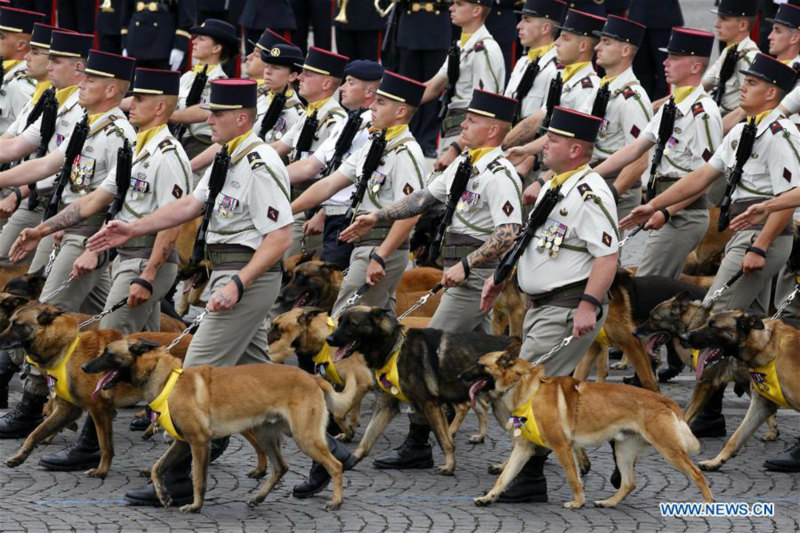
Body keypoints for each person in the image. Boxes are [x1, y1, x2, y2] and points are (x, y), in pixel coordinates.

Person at [87, 79, 294, 506]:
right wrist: (136, 226)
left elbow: (280, 238)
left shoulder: (260, 162)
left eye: (217, 114)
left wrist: (237, 285)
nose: (209, 120)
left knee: (189, 375)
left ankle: (176, 477)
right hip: (227, 272)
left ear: (241, 118)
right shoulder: (226, 158)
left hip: (246, 277)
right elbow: (188, 207)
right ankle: (333, 448)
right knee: (263, 374)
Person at [8, 67, 191, 472]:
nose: (133, 104)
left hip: (144, 260)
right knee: (149, 349)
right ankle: (171, 424)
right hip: (125, 257)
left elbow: (171, 221)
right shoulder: (139, 148)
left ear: (160, 107)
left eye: (140, 99)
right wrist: (42, 228)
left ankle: (92, 443)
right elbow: (95, 200)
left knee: (113, 347)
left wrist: (148, 274)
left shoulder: (166, 155)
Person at [339, 90, 523, 472]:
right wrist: (379, 216)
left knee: (422, 357)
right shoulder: (464, 166)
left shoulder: (499, 173)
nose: (463, 126)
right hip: (462, 275)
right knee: (498, 368)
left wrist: (468, 266)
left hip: (473, 279)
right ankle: (533, 443)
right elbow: (423, 198)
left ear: (492, 129)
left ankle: (418, 443)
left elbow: (508, 232)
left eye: (472, 120)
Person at [623, 53, 800, 438]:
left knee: (715, 316)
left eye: (751, 83)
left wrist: (760, 245)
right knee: (748, 329)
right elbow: (702, 175)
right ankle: (744, 408)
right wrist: (655, 205)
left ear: (772, 92)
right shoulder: (742, 131)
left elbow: (788, 197)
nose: (743, 87)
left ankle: (707, 411)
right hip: (743, 232)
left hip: (760, 237)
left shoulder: (781, 134)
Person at [482, 105, 619, 503]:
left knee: (529, 387)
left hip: (567, 305)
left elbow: (606, 257)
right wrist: (500, 277)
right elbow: (534, 244)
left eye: (554, 140)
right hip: (542, 305)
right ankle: (604, 435)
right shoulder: (555, 185)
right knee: (534, 386)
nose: (544, 145)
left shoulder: (590, 194)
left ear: (576, 150)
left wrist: (589, 304)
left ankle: (530, 477)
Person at [291, 70, 425, 317]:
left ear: (401, 112)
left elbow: (410, 213)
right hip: (366, 244)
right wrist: (288, 213)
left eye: (381, 102)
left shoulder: (406, 153)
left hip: (382, 246)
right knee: (376, 330)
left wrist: (381, 257)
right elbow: (330, 184)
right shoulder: (377, 145)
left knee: (344, 319)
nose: (372, 106)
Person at [594, 27, 722, 279]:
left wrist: (666, 211)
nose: (665, 63)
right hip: (664, 208)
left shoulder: (703, 113)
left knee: (646, 286)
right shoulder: (672, 106)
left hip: (682, 214)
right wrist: (588, 175)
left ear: (696, 67)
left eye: (674, 58)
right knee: (657, 288)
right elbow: (635, 148)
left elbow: (705, 176)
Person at [286, 59, 383, 270]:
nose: (342, 88)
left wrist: (319, 212)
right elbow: (311, 166)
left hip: (349, 218)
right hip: (330, 213)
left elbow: (350, 181)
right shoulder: (347, 123)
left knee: (332, 284)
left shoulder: (374, 130)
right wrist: (271, 176)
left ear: (370, 91)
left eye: (349, 82)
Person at [271, 46, 349, 258]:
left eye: (308, 74)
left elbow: (339, 174)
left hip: (314, 207)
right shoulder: (309, 113)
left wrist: (323, 214)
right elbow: (278, 148)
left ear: (326, 83)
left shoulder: (336, 120)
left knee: (290, 267)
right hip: (295, 199)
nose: (300, 78)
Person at [575, 15, 652, 222]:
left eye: (606, 42)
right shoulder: (602, 87)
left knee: (605, 252)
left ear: (626, 50)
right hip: (595, 177)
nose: (597, 47)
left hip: (615, 185)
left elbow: (640, 160)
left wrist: (613, 191)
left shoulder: (632, 99)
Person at [420, 0, 505, 171]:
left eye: (459, 4)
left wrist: (456, 148)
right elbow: (433, 86)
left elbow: (486, 109)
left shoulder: (485, 49)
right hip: (453, 131)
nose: (451, 8)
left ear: (476, 10)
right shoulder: (461, 45)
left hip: (467, 138)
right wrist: (393, 101)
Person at [170, 18, 239, 160]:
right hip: (179, 139)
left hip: (200, 144)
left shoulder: (220, 81)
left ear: (216, 48)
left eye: (201, 39)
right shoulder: (188, 76)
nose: (194, 42)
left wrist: (164, 116)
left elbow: (205, 110)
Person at [395, 0, 452, 157]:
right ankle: (405, 132)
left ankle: (428, 140)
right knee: (407, 89)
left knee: (433, 89)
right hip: (409, 23)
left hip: (437, 24)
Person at [504, 0, 566, 124]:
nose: (519, 26)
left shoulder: (556, 70)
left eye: (527, 20)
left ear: (545, 28)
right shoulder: (522, 62)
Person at [0, 6, 45, 134]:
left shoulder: (22, 85)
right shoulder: (7, 71)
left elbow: (27, 133)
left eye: (1, 37)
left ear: (20, 45)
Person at [627, 0, 683, 100]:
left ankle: (659, 110)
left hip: (663, 16)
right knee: (640, 72)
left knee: (664, 72)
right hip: (638, 15)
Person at [120, 0, 196, 70]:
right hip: (135, 41)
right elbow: (127, 11)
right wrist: (125, 43)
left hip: (164, 45)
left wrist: (179, 47)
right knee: (135, 83)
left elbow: (186, 15)